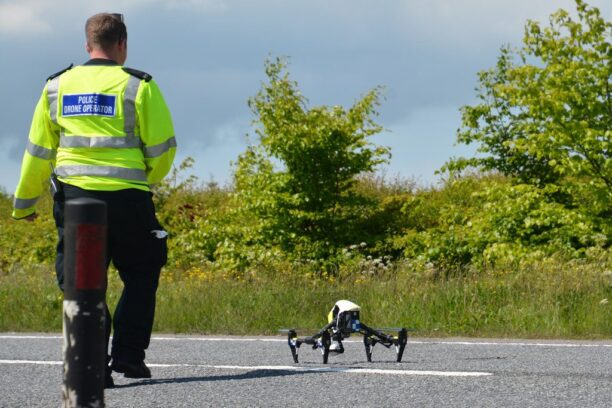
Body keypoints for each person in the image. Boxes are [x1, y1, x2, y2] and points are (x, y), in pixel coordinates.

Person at [12, 13, 176, 388]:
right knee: (141, 273)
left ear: (88, 46)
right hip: (129, 201)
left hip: (75, 200)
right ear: (123, 45)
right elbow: (163, 149)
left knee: (83, 282)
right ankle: (130, 358)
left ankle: (92, 365)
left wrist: (24, 205)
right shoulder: (139, 86)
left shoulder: (56, 87)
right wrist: (143, 179)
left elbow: (38, 152)